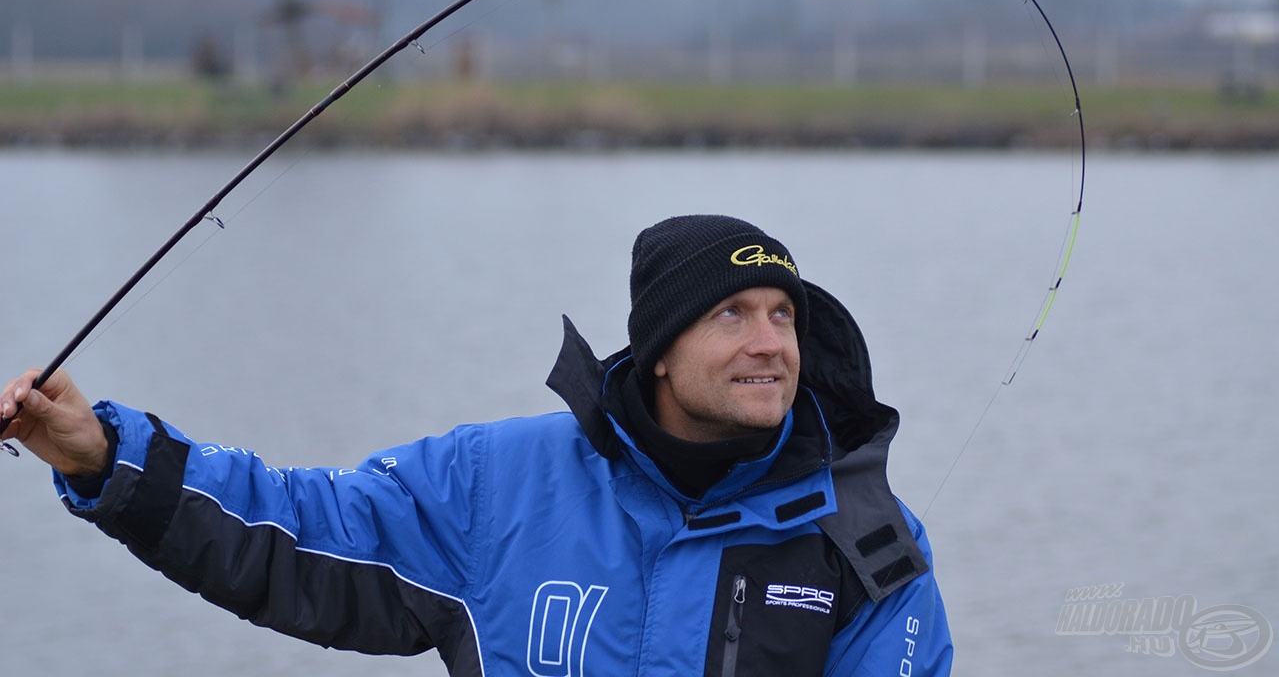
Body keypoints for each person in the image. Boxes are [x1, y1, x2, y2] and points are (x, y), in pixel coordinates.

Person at [2, 214, 953, 675]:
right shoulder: (494, 482)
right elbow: (292, 527)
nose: (768, 342)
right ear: (661, 352)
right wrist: (99, 454)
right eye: (733, 313)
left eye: (784, 314)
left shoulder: (868, 539)